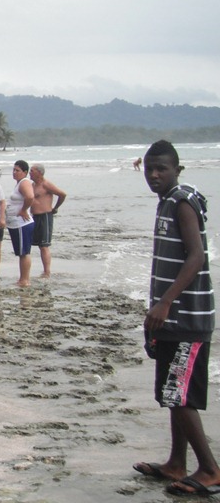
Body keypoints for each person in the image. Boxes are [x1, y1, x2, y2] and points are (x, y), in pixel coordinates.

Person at [134, 140, 219, 496]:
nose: (154, 175)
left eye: (162, 169)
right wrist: (157, 312)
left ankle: (210, 470)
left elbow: (196, 256)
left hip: (187, 318)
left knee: (180, 395)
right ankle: (176, 463)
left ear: (177, 170)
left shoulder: (182, 201)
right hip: (170, 319)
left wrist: (166, 303)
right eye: (149, 169)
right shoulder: (166, 202)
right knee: (171, 394)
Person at [29, 164, 67, 277]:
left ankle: (47, 271)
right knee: (35, 244)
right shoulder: (32, 185)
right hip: (34, 216)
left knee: (44, 245)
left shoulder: (46, 184)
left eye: (32, 171)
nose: (30, 173)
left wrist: (55, 208)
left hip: (45, 216)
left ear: (39, 173)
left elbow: (62, 194)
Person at [6, 161, 35, 287]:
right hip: (15, 224)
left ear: (25, 172)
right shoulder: (19, 183)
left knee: (24, 253)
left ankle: (25, 279)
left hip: (22, 224)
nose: (14, 172)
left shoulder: (24, 182)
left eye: (17, 170)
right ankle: (22, 278)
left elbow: (30, 197)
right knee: (21, 253)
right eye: (13, 170)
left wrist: (23, 210)